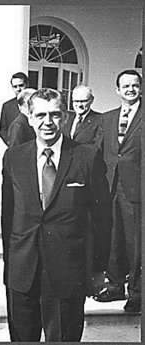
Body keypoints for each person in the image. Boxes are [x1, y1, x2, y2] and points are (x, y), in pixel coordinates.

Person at [1, 88, 111, 341]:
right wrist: (11, 262)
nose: (47, 122)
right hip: (23, 270)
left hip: (67, 271)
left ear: (65, 117)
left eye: (55, 115)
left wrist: (97, 268)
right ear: (29, 117)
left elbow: (102, 219)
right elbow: (9, 215)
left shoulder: (87, 156)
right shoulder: (14, 157)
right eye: (40, 115)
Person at [94, 70, 142, 313]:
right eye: (125, 86)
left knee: (136, 243)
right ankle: (114, 286)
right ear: (117, 90)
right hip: (109, 186)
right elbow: (97, 151)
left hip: (137, 189)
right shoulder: (108, 118)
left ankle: (137, 293)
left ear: (141, 88)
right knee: (112, 238)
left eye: (135, 85)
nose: (130, 89)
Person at [0, 72, 29, 145]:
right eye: (15, 87)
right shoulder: (7, 106)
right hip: (15, 149)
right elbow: (2, 130)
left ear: (27, 85)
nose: (18, 89)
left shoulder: (36, 103)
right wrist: (10, 142)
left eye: (21, 85)